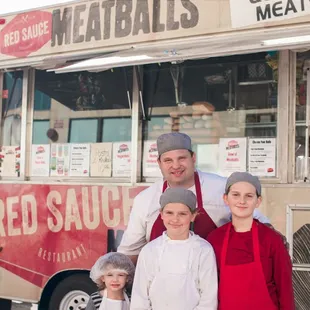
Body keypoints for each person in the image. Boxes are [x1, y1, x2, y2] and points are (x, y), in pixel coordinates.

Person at [117, 132, 270, 264]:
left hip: (216, 280)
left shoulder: (220, 188)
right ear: (159, 163)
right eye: (168, 160)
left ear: (193, 157)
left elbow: (259, 224)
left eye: (182, 158)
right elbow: (130, 251)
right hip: (163, 284)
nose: (176, 166)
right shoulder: (146, 199)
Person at [207, 172, 295, 310]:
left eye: (249, 196)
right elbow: (209, 288)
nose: (242, 201)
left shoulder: (272, 240)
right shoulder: (215, 239)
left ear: (258, 201)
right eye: (235, 195)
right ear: (226, 198)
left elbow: (285, 287)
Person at [130, 188, 218, 310]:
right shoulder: (150, 250)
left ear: (193, 216)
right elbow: (140, 297)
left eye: (182, 214)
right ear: (161, 214)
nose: (175, 219)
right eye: (169, 213)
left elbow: (208, 298)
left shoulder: (203, 250)